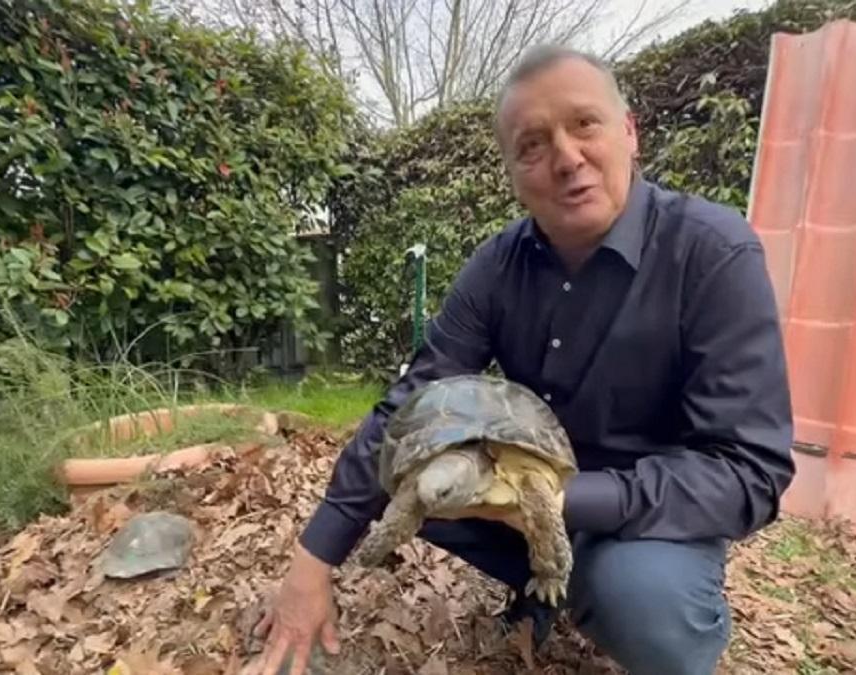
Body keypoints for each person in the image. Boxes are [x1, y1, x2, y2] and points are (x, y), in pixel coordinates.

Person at [245, 44, 795, 675]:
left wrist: (563, 501)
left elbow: (749, 470)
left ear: (630, 131)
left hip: (648, 510)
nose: (565, 158)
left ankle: (657, 617)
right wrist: (311, 566)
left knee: (645, 601)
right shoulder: (496, 266)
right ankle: (548, 585)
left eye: (584, 124)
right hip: (518, 479)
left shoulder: (712, 254)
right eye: (532, 145)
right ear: (512, 172)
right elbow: (411, 403)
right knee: (412, 479)